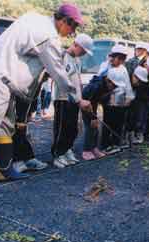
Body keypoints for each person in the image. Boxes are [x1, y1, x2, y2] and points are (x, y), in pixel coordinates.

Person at [0, 3, 88, 193]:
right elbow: (59, 73)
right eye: (73, 27)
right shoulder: (48, 36)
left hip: (1, 75)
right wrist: (77, 97)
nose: (72, 33)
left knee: (6, 124)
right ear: (64, 21)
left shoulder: (34, 18)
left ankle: (4, 170)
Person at [51, 33, 94, 168]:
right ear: (76, 44)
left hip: (75, 100)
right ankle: (58, 154)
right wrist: (76, 99)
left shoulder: (77, 60)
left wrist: (80, 98)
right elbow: (62, 81)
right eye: (83, 50)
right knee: (62, 127)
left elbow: (77, 80)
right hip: (63, 98)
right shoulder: (63, 57)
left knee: (72, 128)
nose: (83, 54)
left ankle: (67, 149)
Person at [81, 67, 126, 160]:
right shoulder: (96, 86)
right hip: (85, 104)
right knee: (89, 126)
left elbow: (100, 100)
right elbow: (90, 101)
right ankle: (86, 150)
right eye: (114, 85)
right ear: (108, 80)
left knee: (96, 128)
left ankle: (94, 148)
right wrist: (92, 117)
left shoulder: (106, 86)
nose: (114, 88)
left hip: (93, 105)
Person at [129, 66, 149, 144]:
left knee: (139, 118)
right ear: (134, 75)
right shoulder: (128, 80)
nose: (139, 83)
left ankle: (135, 135)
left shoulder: (139, 86)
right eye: (138, 80)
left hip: (137, 101)